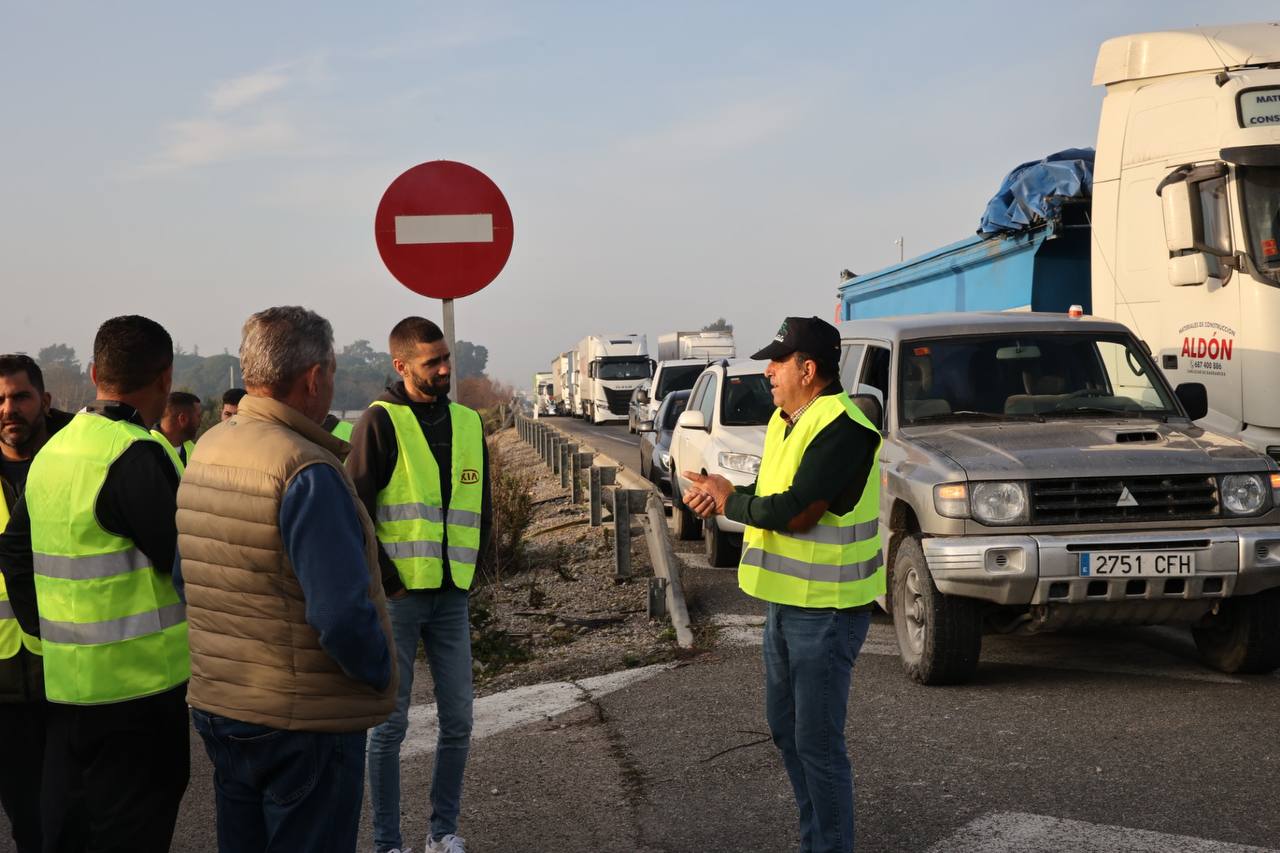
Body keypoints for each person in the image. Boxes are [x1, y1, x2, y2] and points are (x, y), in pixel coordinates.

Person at [175, 306, 396, 853]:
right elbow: (341, 615)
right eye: (334, 373)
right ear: (315, 377)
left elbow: (188, 576)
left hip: (224, 706)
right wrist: (379, 672)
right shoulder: (305, 469)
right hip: (304, 722)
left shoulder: (207, 449)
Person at [682, 316, 883, 853]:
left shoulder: (845, 428)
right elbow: (775, 489)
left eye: (778, 361)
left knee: (817, 742)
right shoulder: (787, 420)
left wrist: (730, 501)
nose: (767, 371)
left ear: (808, 368)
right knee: (786, 730)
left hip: (828, 611)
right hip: (786, 605)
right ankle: (815, 838)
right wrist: (727, 489)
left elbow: (799, 511)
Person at [0, 316, 191, 853]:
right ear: (164, 379)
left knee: (70, 834)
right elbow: (185, 563)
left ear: (93, 373)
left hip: (65, 690)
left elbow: (14, 552)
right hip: (139, 695)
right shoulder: (136, 452)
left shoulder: (54, 452)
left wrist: (44, 631)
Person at [347, 316, 491, 853]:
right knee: (389, 728)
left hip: (453, 596)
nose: (445, 368)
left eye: (446, 357)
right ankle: (388, 843)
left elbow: (483, 508)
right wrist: (389, 582)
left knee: (459, 721)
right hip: (401, 600)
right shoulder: (378, 421)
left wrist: (471, 573)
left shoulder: (469, 422)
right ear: (401, 365)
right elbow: (355, 510)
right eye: (432, 362)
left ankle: (442, 833)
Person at [0, 355, 72, 853]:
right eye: (0, 399)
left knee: (61, 822)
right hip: (3, 683)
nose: (9, 409)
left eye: (20, 397)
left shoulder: (75, 464)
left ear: (44, 401)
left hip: (67, 673)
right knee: (26, 815)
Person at [151, 390, 201, 471]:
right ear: (183, 419)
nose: (200, 421)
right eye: (198, 416)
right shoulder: (147, 449)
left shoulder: (193, 449)